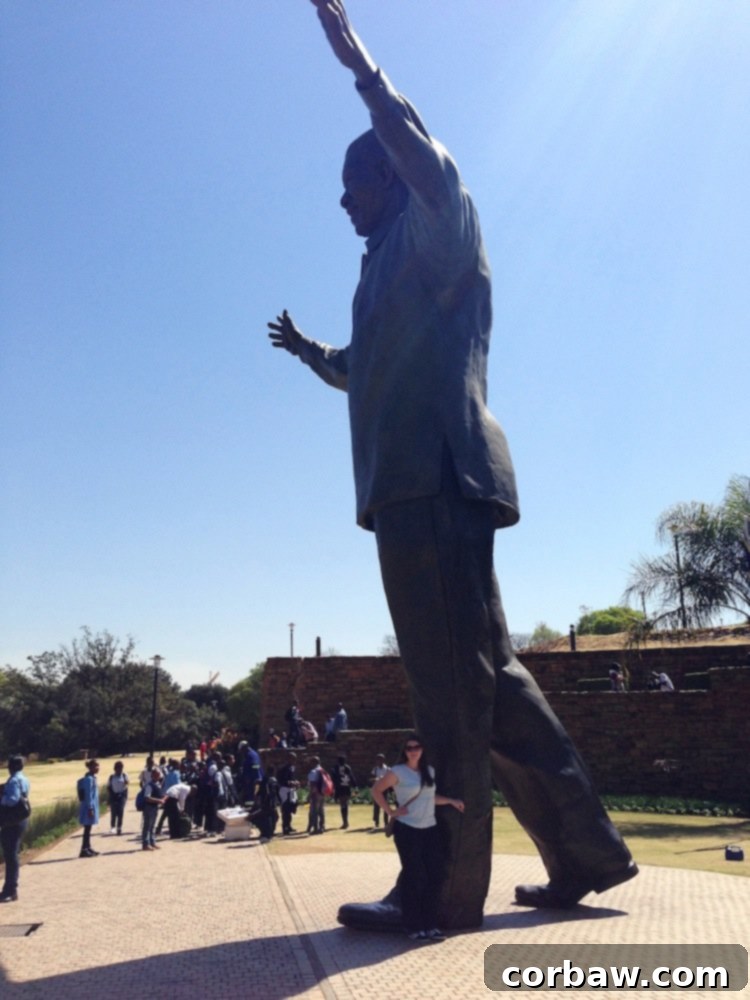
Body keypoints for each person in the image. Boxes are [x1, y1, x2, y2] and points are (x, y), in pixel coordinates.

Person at [268, 0, 636, 930]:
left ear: (393, 173)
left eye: (355, 179)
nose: (342, 198)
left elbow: (434, 162)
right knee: (490, 683)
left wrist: (365, 72)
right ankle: (589, 856)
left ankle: (438, 889)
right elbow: (363, 372)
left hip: (435, 479)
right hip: (414, 485)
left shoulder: (439, 230)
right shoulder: (382, 266)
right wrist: (310, 351)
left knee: (444, 698)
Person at [373, 735, 464, 943]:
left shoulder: (428, 771)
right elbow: (376, 790)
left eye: (417, 747)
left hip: (429, 829)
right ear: (405, 751)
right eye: (409, 748)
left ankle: (430, 925)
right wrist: (391, 811)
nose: (413, 751)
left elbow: (429, 797)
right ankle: (413, 926)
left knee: (435, 876)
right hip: (408, 830)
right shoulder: (397, 772)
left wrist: (451, 801)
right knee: (413, 877)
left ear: (422, 749)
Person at [0, 755, 30, 902]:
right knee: (13, 854)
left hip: (11, 821)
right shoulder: (24, 778)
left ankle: (10, 889)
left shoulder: (13, 780)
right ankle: (11, 888)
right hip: (22, 819)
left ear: (10, 767)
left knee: (10, 856)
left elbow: (12, 800)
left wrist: (1, 798)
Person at [77, 759, 100, 859]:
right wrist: (90, 808)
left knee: (89, 828)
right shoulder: (89, 779)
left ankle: (88, 847)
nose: (97, 768)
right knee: (87, 828)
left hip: (92, 806)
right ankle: (84, 849)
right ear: (90, 767)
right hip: (88, 807)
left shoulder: (93, 778)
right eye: (95, 766)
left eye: (98, 766)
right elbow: (88, 795)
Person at [141, 765, 166, 851]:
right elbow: (147, 798)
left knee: (152, 826)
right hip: (149, 808)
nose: (158, 775)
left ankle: (152, 842)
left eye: (159, 774)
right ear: (152, 775)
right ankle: (145, 844)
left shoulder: (157, 784)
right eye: (156, 774)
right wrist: (159, 801)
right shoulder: (149, 785)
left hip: (154, 807)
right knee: (147, 826)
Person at [332, 754, 357, 829]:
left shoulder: (336, 768)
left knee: (343, 804)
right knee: (344, 804)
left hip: (341, 788)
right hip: (345, 788)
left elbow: (334, 778)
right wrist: (355, 786)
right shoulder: (346, 767)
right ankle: (345, 821)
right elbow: (352, 777)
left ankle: (345, 822)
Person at [277, 754, 299, 835]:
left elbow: (292, 778)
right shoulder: (283, 768)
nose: (294, 761)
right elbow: (282, 780)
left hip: (291, 790)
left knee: (290, 809)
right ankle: (285, 827)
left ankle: (289, 825)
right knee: (285, 809)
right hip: (285, 790)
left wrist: (296, 782)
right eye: (292, 759)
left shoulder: (292, 768)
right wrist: (290, 782)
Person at [107, 760, 129, 835]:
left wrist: (124, 788)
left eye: (121, 768)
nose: (120, 770)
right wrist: (111, 795)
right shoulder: (111, 777)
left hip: (122, 795)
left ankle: (119, 827)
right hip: (114, 795)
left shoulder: (124, 775)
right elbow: (109, 787)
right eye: (118, 768)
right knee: (114, 811)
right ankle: (113, 826)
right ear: (115, 769)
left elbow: (127, 784)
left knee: (120, 811)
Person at [306, 756, 326, 835]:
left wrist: (310, 794)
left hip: (315, 793)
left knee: (314, 811)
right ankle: (322, 826)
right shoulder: (322, 770)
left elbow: (312, 784)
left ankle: (316, 828)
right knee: (321, 810)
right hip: (322, 793)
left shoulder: (313, 771)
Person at [369, 753, 390, 829]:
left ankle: (386, 822)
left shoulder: (387, 769)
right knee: (377, 806)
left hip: (385, 789)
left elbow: (391, 779)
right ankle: (377, 822)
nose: (379, 761)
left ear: (383, 760)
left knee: (386, 807)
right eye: (378, 759)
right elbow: (371, 779)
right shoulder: (375, 769)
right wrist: (375, 779)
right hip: (377, 790)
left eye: (380, 759)